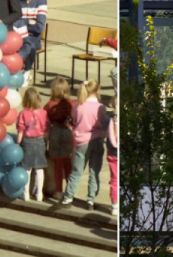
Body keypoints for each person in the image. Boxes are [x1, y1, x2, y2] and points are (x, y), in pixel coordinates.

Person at [62, 80, 106, 209]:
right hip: (97, 139)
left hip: (81, 140)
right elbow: (103, 122)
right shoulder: (101, 107)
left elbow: (75, 121)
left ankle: (68, 197)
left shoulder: (78, 105)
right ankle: (90, 199)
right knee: (94, 171)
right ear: (97, 91)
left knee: (77, 171)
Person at [15, 89, 47, 202]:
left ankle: (26, 194)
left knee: (26, 169)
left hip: (27, 141)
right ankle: (39, 194)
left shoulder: (23, 113)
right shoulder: (43, 112)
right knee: (39, 169)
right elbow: (46, 128)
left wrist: (18, 143)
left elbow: (20, 130)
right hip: (40, 141)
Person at [44, 78, 74, 200]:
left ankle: (58, 191)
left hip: (55, 132)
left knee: (57, 164)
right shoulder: (71, 104)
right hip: (68, 132)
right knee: (68, 163)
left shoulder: (50, 105)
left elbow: (45, 121)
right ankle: (70, 190)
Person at [18, 0, 48, 85]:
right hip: (19, 34)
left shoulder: (41, 0)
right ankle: (17, 68)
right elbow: (15, 21)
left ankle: (26, 70)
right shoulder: (18, 0)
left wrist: (22, 23)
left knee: (29, 45)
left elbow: (39, 27)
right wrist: (28, 22)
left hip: (33, 37)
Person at [107, 99, 118, 217]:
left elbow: (110, 136)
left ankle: (114, 203)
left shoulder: (111, 120)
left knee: (114, 180)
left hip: (112, 154)